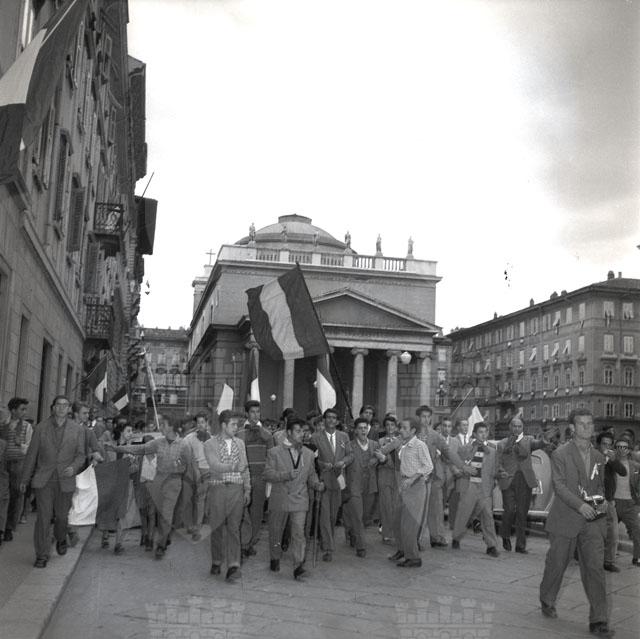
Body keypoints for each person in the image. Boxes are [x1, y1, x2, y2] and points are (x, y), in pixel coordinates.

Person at [539, 409, 612, 638]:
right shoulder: (560, 454)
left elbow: (598, 486)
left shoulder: (599, 457)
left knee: (595, 569)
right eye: (582, 424)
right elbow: (559, 486)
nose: (587, 428)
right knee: (557, 564)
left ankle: (599, 620)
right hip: (566, 517)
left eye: (590, 424)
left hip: (592, 521)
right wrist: (580, 505)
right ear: (572, 428)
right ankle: (547, 598)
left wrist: (603, 501)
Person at [107, 415, 189, 559]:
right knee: (160, 514)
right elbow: (140, 448)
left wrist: (177, 467)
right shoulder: (158, 442)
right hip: (158, 481)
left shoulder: (184, 445)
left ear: (172, 427)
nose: (161, 427)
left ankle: (161, 546)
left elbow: (186, 464)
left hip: (173, 482)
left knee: (166, 515)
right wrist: (118, 448)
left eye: (163, 425)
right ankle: (165, 537)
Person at [19, 395, 86, 568]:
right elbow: (32, 455)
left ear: (69, 409)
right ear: (53, 408)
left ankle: (61, 537)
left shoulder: (77, 429)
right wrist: (25, 479)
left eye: (65, 405)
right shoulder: (41, 428)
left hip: (65, 480)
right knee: (44, 517)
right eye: (58, 405)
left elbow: (81, 455)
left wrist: (73, 467)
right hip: (44, 480)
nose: (62, 408)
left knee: (62, 517)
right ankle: (41, 555)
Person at [264, 416, 324, 579]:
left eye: (303, 431)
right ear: (289, 432)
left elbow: (311, 475)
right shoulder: (274, 452)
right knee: (276, 531)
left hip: (300, 497)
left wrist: (317, 484)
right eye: (298, 431)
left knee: (299, 532)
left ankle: (298, 565)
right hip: (280, 498)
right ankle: (275, 557)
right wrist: (286, 475)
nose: (302, 434)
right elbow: (267, 474)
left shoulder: (309, 454)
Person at [204, 410, 250, 581]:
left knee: (234, 528)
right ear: (223, 425)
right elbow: (214, 465)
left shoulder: (240, 443)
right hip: (218, 489)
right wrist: (233, 467)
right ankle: (217, 560)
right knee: (216, 527)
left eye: (237, 424)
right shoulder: (210, 444)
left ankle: (233, 565)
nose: (236, 428)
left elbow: (245, 468)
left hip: (236, 489)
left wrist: (247, 489)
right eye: (233, 424)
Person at [380, 418, 433, 567]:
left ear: (413, 430)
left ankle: (413, 557)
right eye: (401, 427)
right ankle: (402, 550)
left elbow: (428, 466)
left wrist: (413, 478)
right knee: (397, 520)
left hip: (415, 486)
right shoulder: (402, 444)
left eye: (404, 428)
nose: (400, 430)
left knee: (409, 524)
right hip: (403, 484)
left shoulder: (420, 445)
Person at [415, 405, 464, 549]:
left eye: (428, 417)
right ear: (418, 418)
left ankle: (436, 537)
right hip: (415, 477)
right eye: (423, 417)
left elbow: (448, 452)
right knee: (417, 511)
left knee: (435, 508)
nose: (426, 420)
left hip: (433, 478)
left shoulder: (435, 435)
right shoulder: (412, 433)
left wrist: (460, 465)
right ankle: (414, 540)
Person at [497, 416, 547, 553]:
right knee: (509, 510)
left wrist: (544, 439)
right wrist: (501, 471)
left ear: (523, 428)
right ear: (510, 427)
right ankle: (505, 535)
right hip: (508, 480)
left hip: (524, 481)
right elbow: (498, 462)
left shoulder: (528, 440)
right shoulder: (502, 443)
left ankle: (520, 545)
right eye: (514, 426)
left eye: (519, 426)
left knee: (522, 513)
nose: (517, 429)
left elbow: (538, 444)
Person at [311, 407, 353, 562]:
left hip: (339, 480)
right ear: (324, 420)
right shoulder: (315, 437)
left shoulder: (344, 436)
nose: (331, 420)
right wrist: (322, 464)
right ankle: (328, 547)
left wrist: (343, 462)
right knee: (324, 515)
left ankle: (326, 540)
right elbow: (312, 459)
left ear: (337, 421)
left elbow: (351, 454)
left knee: (333, 515)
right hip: (323, 481)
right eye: (328, 417)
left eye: (334, 418)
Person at [451, 422, 499, 557]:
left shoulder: (492, 451)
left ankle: (491, 545)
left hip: (484, 488)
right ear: (474, 434)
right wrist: (460, 471)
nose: (483, 435)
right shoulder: (465, 449)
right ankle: (456, 537)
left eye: (485, 432)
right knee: (463, 514)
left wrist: (497, 477)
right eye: (480, 432)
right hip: (469, 486)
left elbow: (495, 470)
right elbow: (454, 462)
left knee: (488, 516)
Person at [237, 400, 273, 557]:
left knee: (257, 512)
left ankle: (250, 543)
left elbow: (271, 457)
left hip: (260, 478)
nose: (255, 415)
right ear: (246, 413)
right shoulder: (239, 433)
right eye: (252, 412)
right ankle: (242, 542)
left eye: (258, 412)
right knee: (242, 512)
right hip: (243, 477)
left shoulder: (267, 434)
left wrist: (268, 478)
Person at [344, 417, 381, 558]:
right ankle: (361, 546)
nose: (363, 430)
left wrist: (378, 459)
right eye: (360, 428)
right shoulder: (349, 445)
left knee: (365, 517)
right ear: (355, 431)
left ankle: (352, 531)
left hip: (370, 485)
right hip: (354, 484)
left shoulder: (375, 445)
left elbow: (382, 458)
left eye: (365, 428)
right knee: (358, 516)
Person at [0, 397, 33, 542]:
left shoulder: (26, 427)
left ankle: (9, 527)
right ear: (13, 410)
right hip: (3, 463)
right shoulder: (3, 424)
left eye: (25, 409)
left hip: (18, 464)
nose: (24, 412)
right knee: (3, 496)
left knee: (16, 496)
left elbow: (30, 448)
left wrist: (21, 445)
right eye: (22, 409)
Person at [596, 431, 626, 572]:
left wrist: (613, 460)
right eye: (604, 444)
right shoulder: (592, 456)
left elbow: (623, 472)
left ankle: (608, 561)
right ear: (598, 444)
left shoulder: (612, 459)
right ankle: (580, 554)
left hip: (608, 500)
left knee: (613, 533)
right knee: (590, 531)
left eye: (609, 445)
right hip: (593, 500)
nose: (606, 447)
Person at [611, 435, 640, 567]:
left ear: (629, 450)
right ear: (615, 448)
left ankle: (637, 557)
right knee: (607, 533)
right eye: (619, 447)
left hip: (630, 504)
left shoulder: (635, 466)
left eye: (625, 447)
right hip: (613, 503)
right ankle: (606, 557)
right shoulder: (610, 464)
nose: (622, 450)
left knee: (637, 530)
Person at [180, 417, 209, 541]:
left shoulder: (212, 438)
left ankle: (197, 528)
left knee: (200, 500)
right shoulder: (189, 438)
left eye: (203, 422)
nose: (200, 424)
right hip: (191, 471)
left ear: (207, 423)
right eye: (198, 422)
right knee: (187, 499)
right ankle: (189, 525)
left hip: (206, 471)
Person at [377, 414, 400, 545]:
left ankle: (395, 532)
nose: (390, 427)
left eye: (392, 425)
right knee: (385, 505)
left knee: (396, 505)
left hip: (397, 476)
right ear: (384, 427)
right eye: (387, 425)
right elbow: (377, 458)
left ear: (396, 427)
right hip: (384, 474)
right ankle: (386, 533)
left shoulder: (400, 441)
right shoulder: (380, 442)